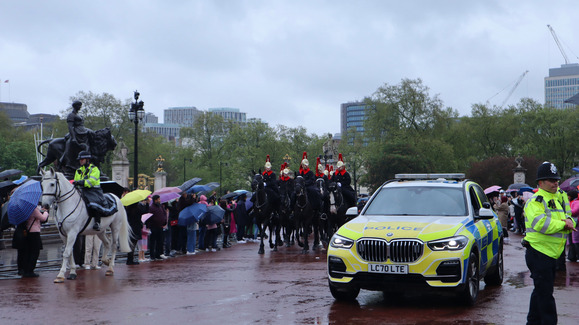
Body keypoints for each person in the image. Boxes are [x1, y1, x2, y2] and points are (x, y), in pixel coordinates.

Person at [522, 161, 576, 325]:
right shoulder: (536, 201)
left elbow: (568, 216)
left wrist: (569, 223)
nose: (555, 183)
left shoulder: (559, 196)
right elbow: (541, 224)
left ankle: (532, 322)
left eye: (557, 180)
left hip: (551, 253)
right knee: (545, 295)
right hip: (539, 253)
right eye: (551, 180)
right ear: (540, 182)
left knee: (540, 290)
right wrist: (563, 225)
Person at [73, 151, 115, 231]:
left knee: (93, 204)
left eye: (82, 159)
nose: (80, 161)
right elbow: (76, 180)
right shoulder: (78, 170)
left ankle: (97, 222)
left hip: (93, 191)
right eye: (80, 159)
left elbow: (92, 181)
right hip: (82, 190)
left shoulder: (94, 169)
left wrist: (82, 182)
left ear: (87, 160)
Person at [60, 101, 94, 169]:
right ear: (75, 106)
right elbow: (70, 127)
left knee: (93, 134)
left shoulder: (79, 115)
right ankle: (68, 162)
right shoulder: (71, 115)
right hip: (76, 133)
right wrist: (73, 138)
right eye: (79, 106)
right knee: (69, 144)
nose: (80, 107)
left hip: (82, 132)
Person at [21, 206, 49, 278]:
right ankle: (30, 270)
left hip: (28, 232)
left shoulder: (25, 208)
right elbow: (43, 218)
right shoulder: (33, 209)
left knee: (29, 252)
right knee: (35, 252)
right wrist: (45, 212)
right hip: (34, 232)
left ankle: (26, 270)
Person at [146, 195, 167, 261]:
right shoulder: (151, 208)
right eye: (158, 199)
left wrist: (164, 221)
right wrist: (148, 226)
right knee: (153, 242)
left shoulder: (160, 206)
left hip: (160, 226)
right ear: (155, 200)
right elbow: (149, 218)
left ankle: (158, 254)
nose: (159, 200)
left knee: (159, 241)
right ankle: (152, 255)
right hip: (153, 227)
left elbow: (164, 214)